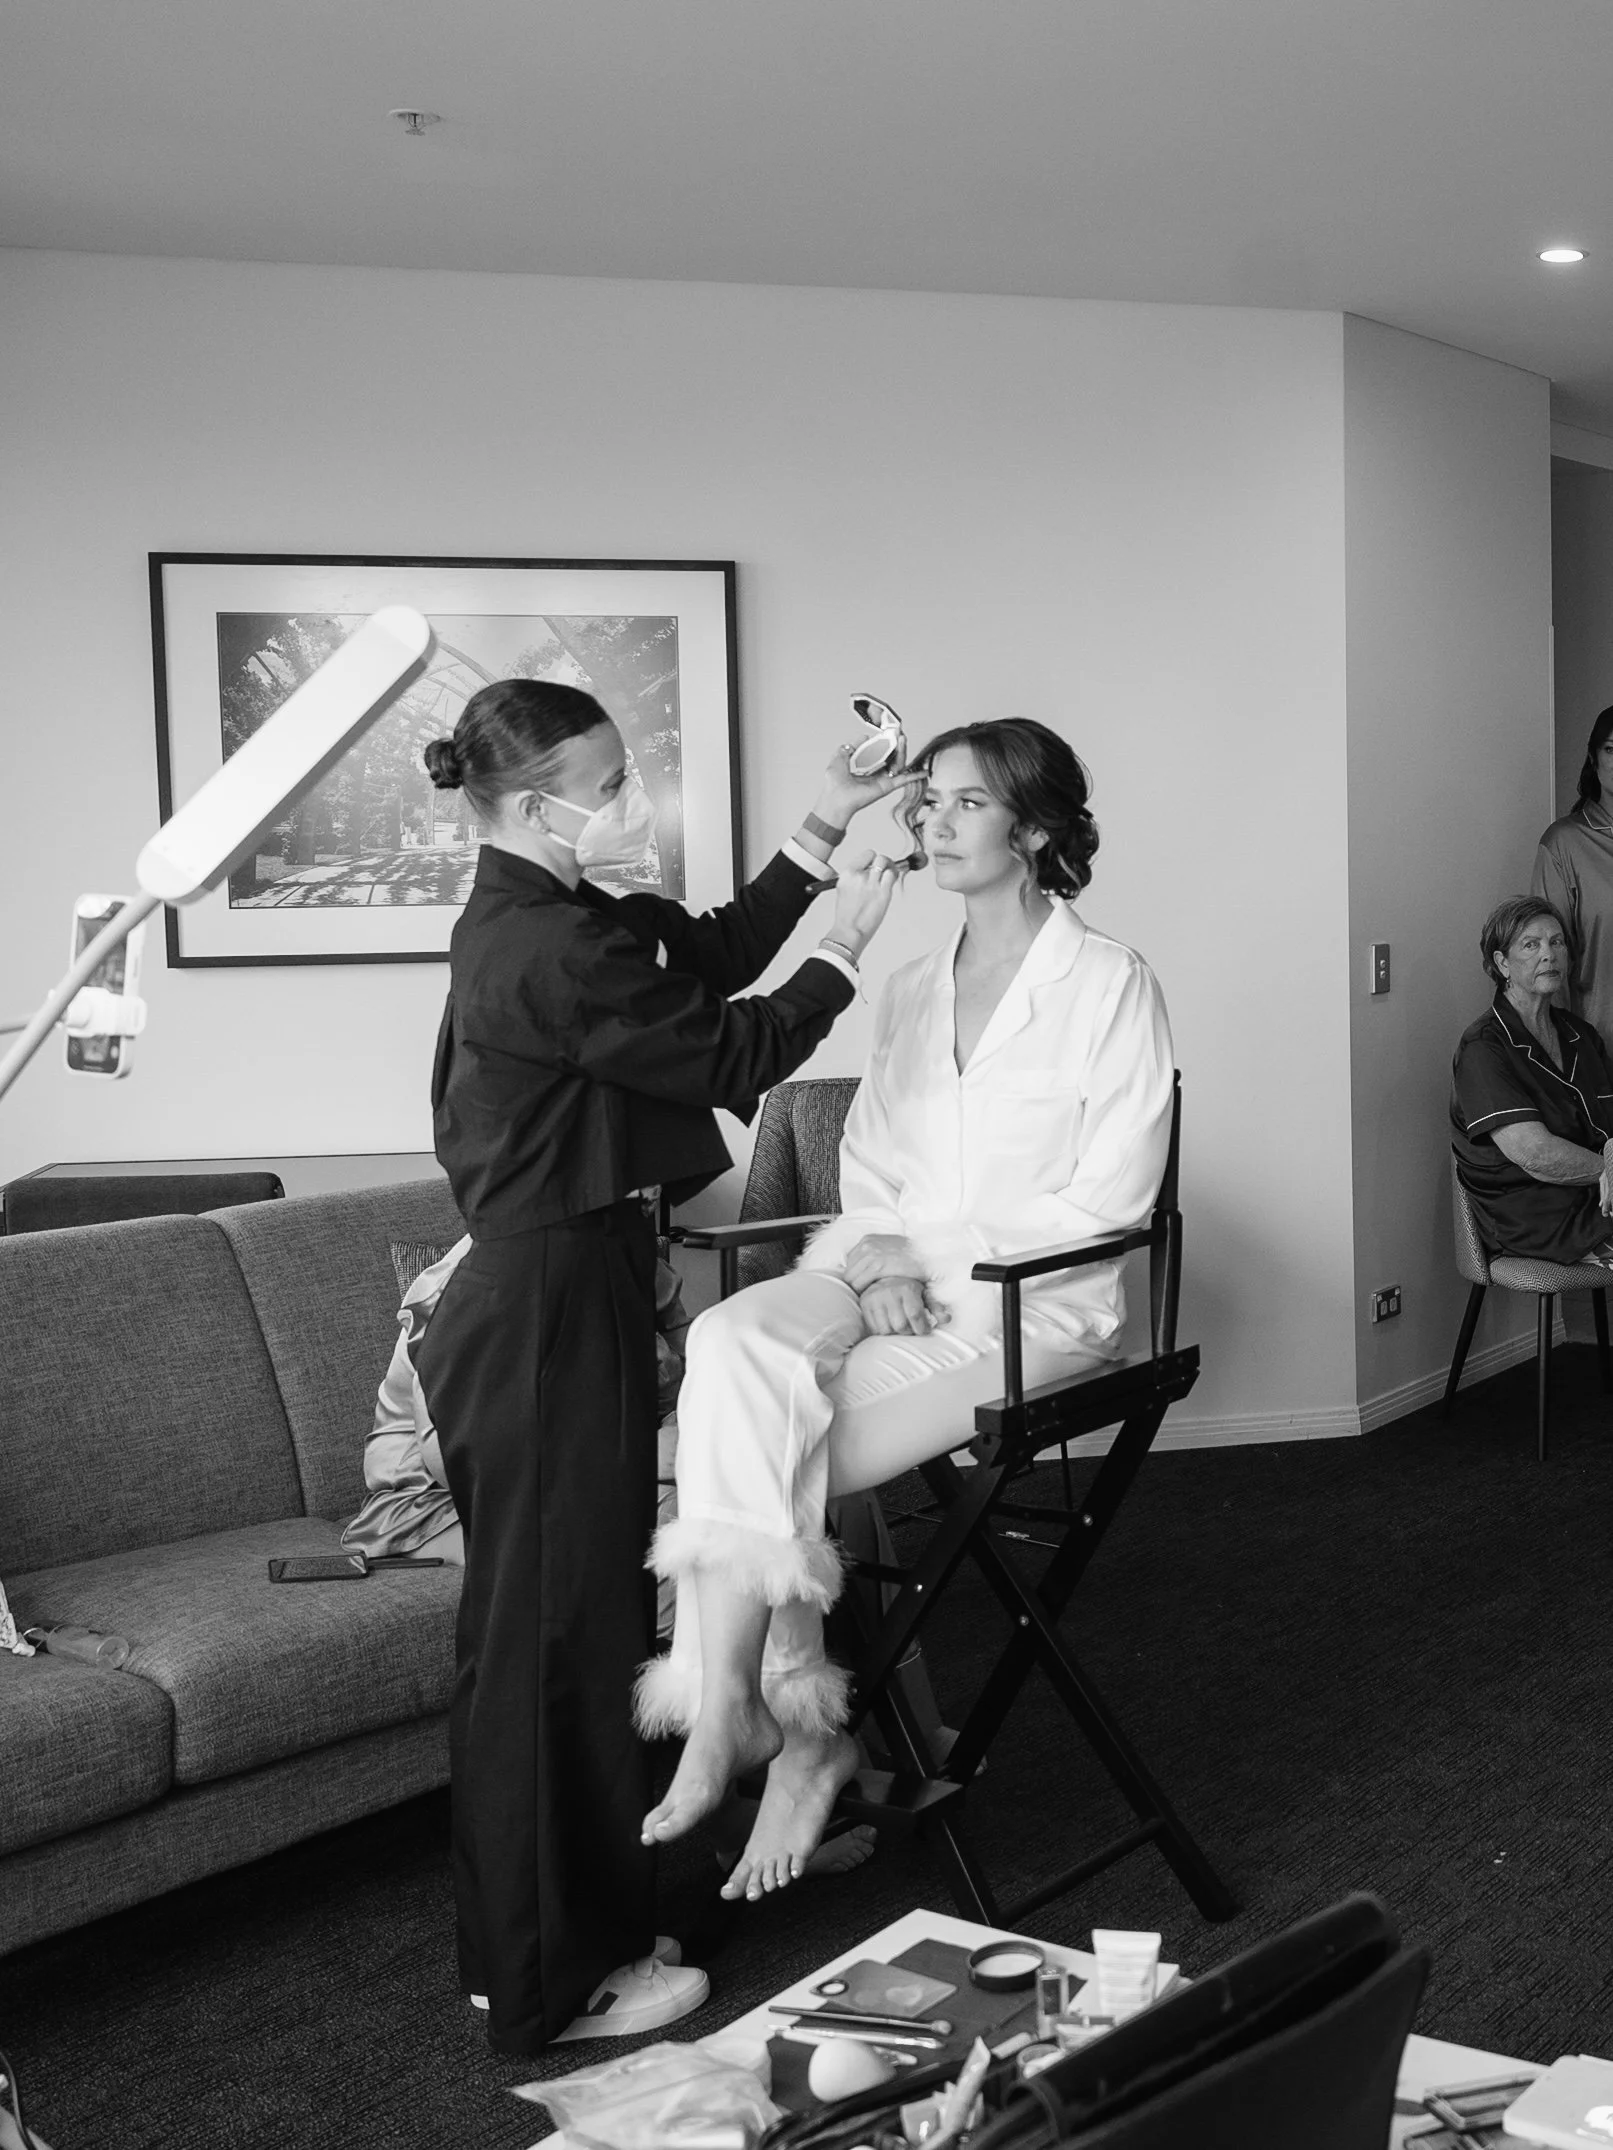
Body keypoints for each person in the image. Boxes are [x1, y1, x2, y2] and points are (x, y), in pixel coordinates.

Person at [410, 677, 909, 2057]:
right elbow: (734, 1039)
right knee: (550, 1644)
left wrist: (825, 824)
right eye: (610, 780)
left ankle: (575, 1924)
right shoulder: (537, 947)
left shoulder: (563, 913)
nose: (629, 799)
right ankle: (549, 1983)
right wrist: (855, 946)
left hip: (574, 1286)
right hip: (537, 1308)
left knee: (572, 1626)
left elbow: (703, 948)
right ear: (527, 801)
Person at [635, 716, 1175, 1901]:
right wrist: (876, 1250)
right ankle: (753, 1709)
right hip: (890, 1274)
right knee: (729, 1341)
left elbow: (1109, 1197)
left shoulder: (1108, 984)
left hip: (1027, 1309)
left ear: (1032, 828)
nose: (929, 821)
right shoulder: (908, 986)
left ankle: (775, 1719)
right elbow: (869, 1161)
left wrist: (917, 1258)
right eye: (923, 800)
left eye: (963, 803)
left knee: (773, 1436)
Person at [1451, 894, 1613, 1265]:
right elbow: (1533, 1154)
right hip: (1535, 1214)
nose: (1549, 954)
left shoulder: (1581, 1035)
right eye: (1531, 944)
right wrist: (1609, 1170)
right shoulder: (1483, 1047)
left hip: (1596, 1201)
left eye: (1557, 942)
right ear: (1502, 963)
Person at [1533, 706, 1613, 1041]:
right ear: (1594, 760)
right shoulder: (1563, 844)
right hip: (1599, 1053)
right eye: (1611, 749)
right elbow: (1548, 963)